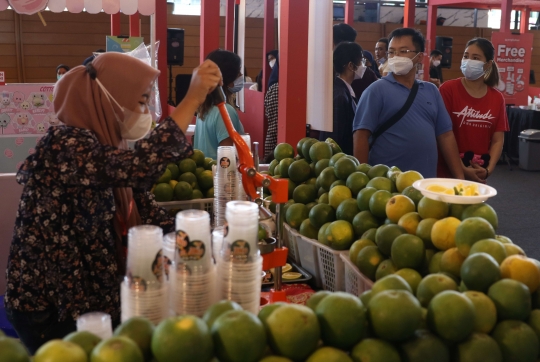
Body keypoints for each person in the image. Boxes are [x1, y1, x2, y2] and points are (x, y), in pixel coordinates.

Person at [4, 52, 223, 353]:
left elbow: (147, 213)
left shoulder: (108, 148)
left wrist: (209, 237)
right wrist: (193, 98)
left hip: (96, 301)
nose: (146, 111)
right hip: (52, 310)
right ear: (109, 99)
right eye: (141, 101)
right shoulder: (64, 146)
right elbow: (140, 166)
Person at [352, 28, 464, 179]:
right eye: (391, 52)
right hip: (386, 185)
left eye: (403, 51)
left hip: (426, 183)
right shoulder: (376, 91)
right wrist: (363, 179)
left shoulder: (431, 90)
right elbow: (361, 136)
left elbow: (445, 136)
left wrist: (460, 179)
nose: (396, 56)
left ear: (419, 57)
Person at [437, 37, 509, 182]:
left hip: (478, 172)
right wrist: (461, 169)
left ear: (488, 64)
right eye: (466, 56)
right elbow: (441, 134)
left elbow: (497, 140)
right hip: (447, 172)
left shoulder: (497, 98)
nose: (468, 61)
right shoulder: (448, 90)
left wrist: (488, 170)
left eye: (475, 58)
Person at [194, 49, 245, 160]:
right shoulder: (225, 111)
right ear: (228, 78)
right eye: (238, 72)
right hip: (220, 175)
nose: (241, 75)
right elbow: (227, 158)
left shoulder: (203, 109)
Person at [319, 42, 363, 155]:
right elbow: (334, 140)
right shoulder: (340, 95)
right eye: (361, 61)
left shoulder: (343, 89)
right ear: (350, 65)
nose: (363, 66)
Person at [264, 53, 280, 161]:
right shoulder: (277, 88)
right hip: (276, 146)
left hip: (273, 143)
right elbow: (275, 124)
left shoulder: (274, 87)